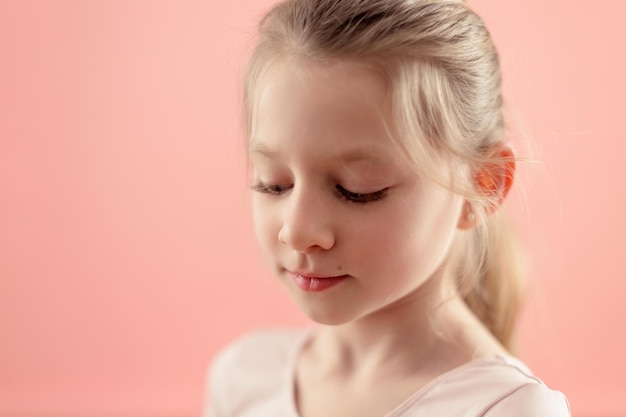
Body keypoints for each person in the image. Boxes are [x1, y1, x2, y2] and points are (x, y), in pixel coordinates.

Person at [205, 0, 571, 415]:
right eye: (274, 184)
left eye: (356, 190)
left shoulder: (505, 408)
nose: (298, 230)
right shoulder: (243, 378)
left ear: (478, 186)